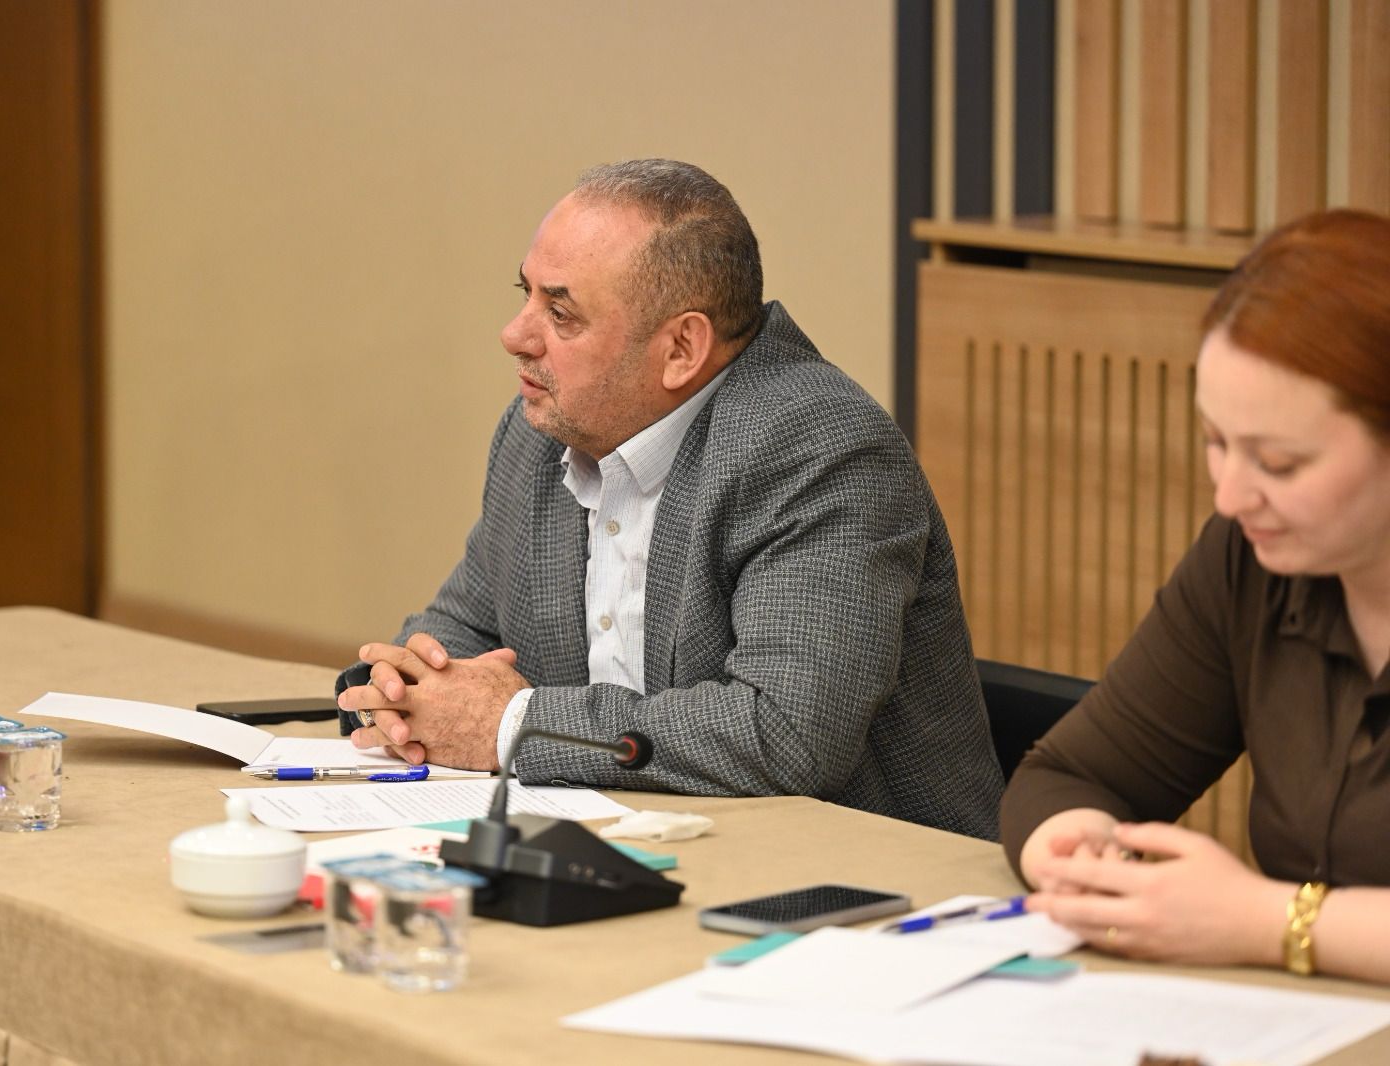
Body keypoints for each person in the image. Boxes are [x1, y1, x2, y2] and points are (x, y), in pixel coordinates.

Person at [336, 159, 1002, 839]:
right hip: (623, 842)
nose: (516, 334)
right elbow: (460, 633)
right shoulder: (539, 434)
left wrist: (513, 725)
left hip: (854, 868)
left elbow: (786, 734)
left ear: (682, 347)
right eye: (525, 293)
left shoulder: (819, 449)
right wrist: (393, 692)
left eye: (560, 313)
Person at [1001, 209, 1390, 982]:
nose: (1231, 496)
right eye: (1217, 442)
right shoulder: (1253, 559)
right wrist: (1082, 857)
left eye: (1279, 463)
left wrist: (1265, 920)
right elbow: (1071, 777)